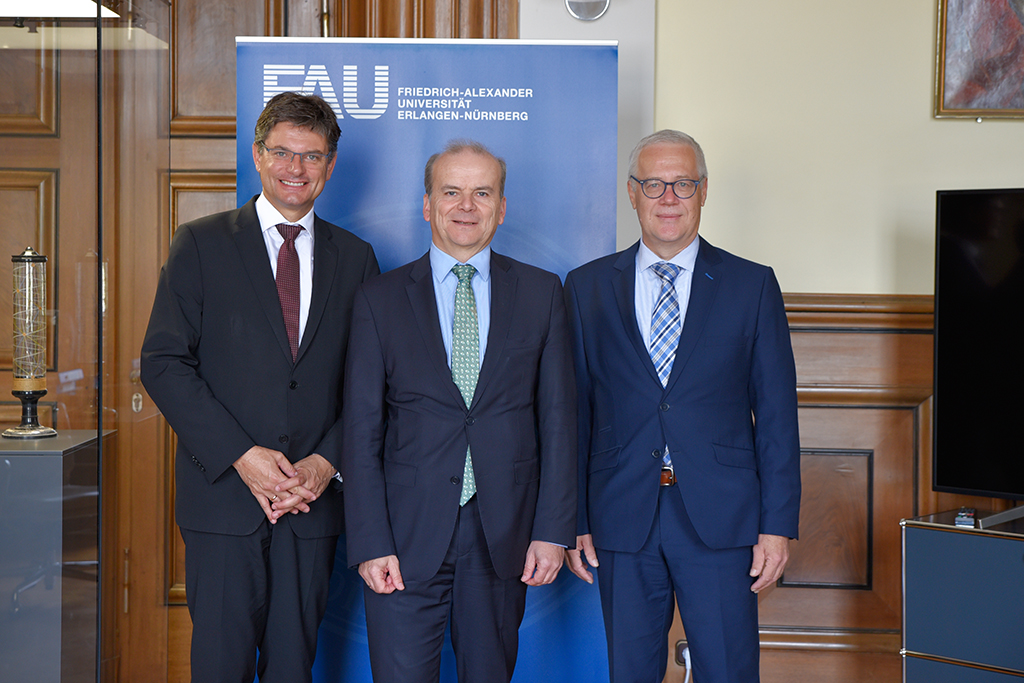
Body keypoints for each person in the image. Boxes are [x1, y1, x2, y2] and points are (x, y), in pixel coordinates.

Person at [140, 92, 379, 683]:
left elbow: (370, 384)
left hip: (310, 503)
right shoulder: (201, 243)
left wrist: (325, 463)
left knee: (293, 666)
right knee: (220, 665)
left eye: (312, 156)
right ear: (257, 154)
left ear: (330, 166)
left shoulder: (356, 258)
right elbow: (164, 363)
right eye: (282, 152)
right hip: (224, 502)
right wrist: (244, 457)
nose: (296, 168)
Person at [563, 129, 801, 683]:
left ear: (704, 190)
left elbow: (776, 417)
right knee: (631, 672)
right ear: (632, 193)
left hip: (723, 518)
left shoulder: (752, 285)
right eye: (654, 184)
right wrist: (572, 519)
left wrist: (776, 526)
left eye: (683, 184)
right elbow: (574, 414)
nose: (668, 198)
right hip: (621, 516)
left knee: (728, 671)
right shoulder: (586, 286)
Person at [340, 140, 576, 683]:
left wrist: (552, 531)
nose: (466, 206)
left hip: (505, 536)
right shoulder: (378, 299)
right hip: (402, 539)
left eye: (482, 193)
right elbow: (361, 430)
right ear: (428, 205)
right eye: (451, 192)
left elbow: (559, 422)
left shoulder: (542, 293)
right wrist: (370, 542)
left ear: (502, 207)